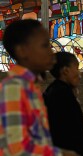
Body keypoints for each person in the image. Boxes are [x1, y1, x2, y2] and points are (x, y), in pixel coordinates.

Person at [0, 19, 77, 156]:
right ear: (22, 51)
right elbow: (18, 150)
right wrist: (62, 154)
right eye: (45, 46)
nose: (51, 51)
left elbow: (38, 140)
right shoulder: (13, 88)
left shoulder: (32, 87)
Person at [43, 52, 83, 156]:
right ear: (65, 71)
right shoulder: (62, 94)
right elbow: (71, 132)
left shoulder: (54, 90)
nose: (79, 74)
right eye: (76, 68)